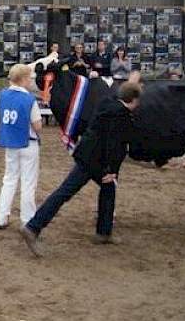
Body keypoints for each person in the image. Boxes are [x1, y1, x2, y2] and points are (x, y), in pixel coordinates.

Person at [21, 82, 142, 256]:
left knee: (108, 188)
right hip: (94, 160)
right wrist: (109, 170)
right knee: (66, 192)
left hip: (88, 154)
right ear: (134, 100)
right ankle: (32, 228)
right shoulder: (121, 115)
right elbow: (113, 145)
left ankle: (104, 232)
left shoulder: (108, 104)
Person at [0, 64, 43, 230]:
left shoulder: (1, 96)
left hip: (10, 143)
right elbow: (37, 126)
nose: (31, 81)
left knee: (9, 179)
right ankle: (28, 219)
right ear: (23, 79)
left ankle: (1, 216)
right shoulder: (29, 100)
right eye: (29, 78)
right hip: (28, 143)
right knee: (28, 182)